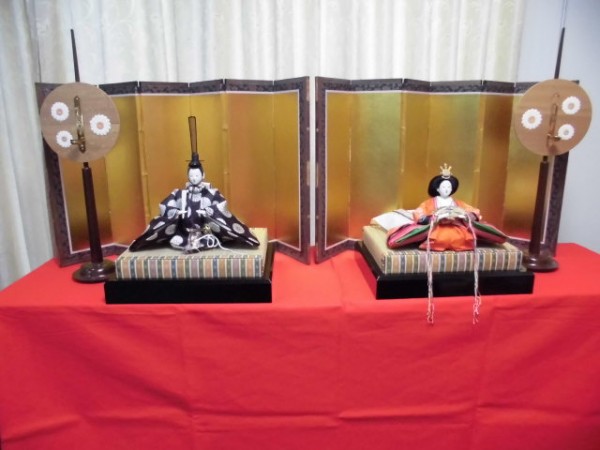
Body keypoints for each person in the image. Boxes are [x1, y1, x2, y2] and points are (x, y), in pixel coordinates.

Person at [129, 152, 259, 253]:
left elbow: (221, 206)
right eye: (191, 176)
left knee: (208, 237)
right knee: (176, 239)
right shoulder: (180, 194)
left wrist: (209, 211)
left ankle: (205, 241)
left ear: (203, 175)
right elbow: (166, 205)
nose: (194, 178)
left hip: (205, 231)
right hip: (184, 232)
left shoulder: (211, 193)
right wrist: (176, 212)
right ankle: (180, 241)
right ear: (187, 176)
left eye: (197, 175)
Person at [386, 164, 507, 251]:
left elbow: (474, 211)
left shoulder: (458, 203)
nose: (446, 189)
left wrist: (464, 216)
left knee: (481, 229)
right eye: (444, 187)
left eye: (449, 187)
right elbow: (419, 214)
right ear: (437, 189)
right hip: (436, 228)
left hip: (457, 228)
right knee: (412, 232)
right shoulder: (429, 203)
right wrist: (435, 217)